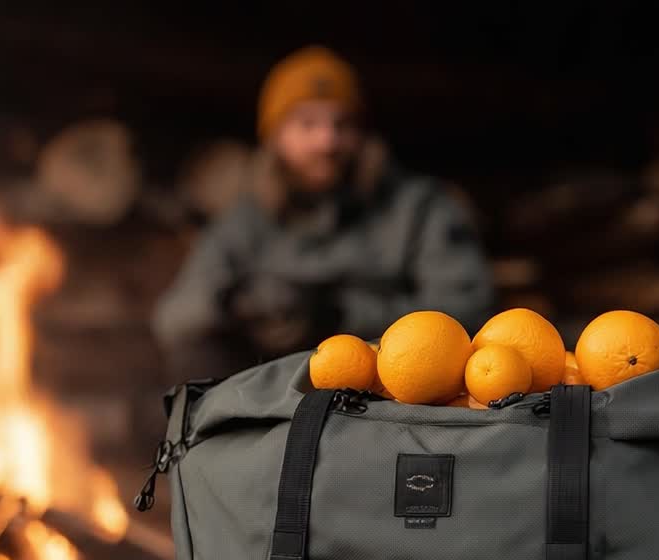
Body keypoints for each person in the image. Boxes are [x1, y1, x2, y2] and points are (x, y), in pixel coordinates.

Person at [152, 46, 494, 381]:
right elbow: (176, 318)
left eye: (341, 124)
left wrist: (342, 315)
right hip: (271, 396)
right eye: (307, 124)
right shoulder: (245, 221)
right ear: (276, 136)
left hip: (389, 391)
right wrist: (245, 309)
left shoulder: (419, 208)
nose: (327, 141)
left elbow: (470, 309)